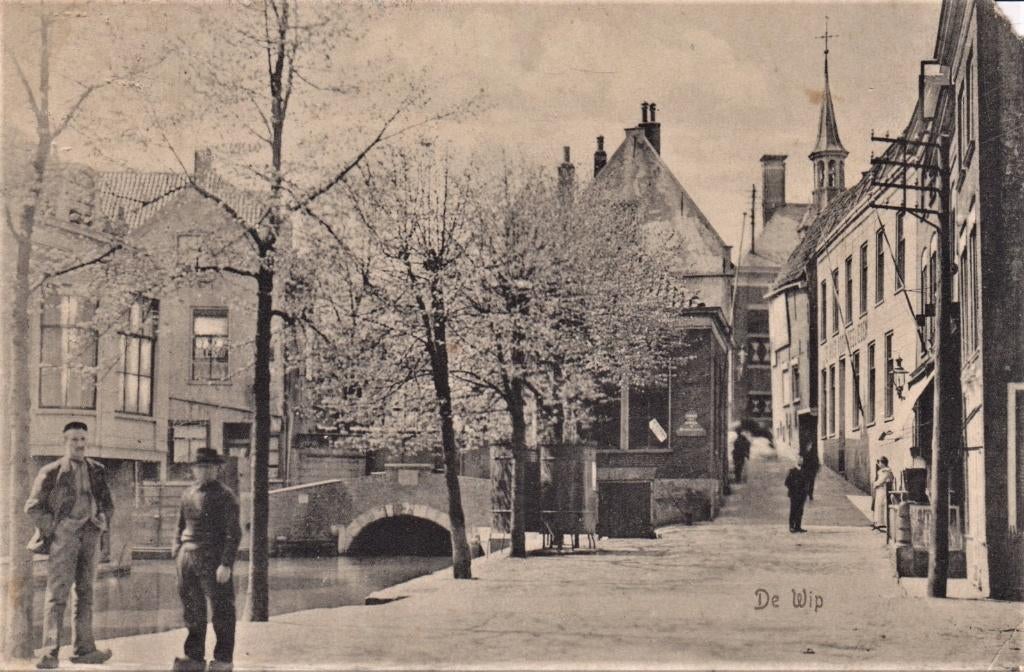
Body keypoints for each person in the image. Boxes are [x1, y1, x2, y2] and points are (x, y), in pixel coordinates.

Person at [25, 421, 114, 670]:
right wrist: (55, 528)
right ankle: (49, 653)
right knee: (57, 595)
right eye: (74, 439)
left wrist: (103, 519)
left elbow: (107, 502)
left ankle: (84, 649)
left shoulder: (97, 469)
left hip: (90, 535)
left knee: (86, 593)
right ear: (65, 442)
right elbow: (33, 507)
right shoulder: (52, 471)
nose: (79, 444)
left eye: (83, 439)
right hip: (64, 538)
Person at [172, 447, 242, 672]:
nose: (204, 471)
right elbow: (180, 523)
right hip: (187, 556)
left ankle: (223, 659)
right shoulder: (187, 494)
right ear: (194, 469)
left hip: (213, 557)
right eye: (200, 467)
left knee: (221, 610)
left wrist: (226, 563)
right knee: (192, 609)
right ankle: (193, 657)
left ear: (217, 469)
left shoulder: (225, 495)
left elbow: (234, 533)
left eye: (209, 467)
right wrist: (176, 546)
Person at [784, 455, 808, 533]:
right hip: (794, 494)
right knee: (793, 510)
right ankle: (791, 526)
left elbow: (806, 483)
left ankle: (798, 526)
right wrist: (793, 488)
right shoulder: (792, 471)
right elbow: (787, 482)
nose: (801, 461)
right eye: (799, 460)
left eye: (802, 460)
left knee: (800, 511)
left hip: (802, 494)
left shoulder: (804, 471)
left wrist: (805, 491)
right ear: (796, 461)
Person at [872, 456, 895, 531]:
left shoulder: (886, 471)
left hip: (883, 490)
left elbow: (881, 480)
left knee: (882, 505)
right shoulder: (882, 471)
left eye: (880, 462)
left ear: (883, 463)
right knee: (878, 505)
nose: (879, 464)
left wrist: (875, 484)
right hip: (879, 490)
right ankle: (878, 522)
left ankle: (883, 523)